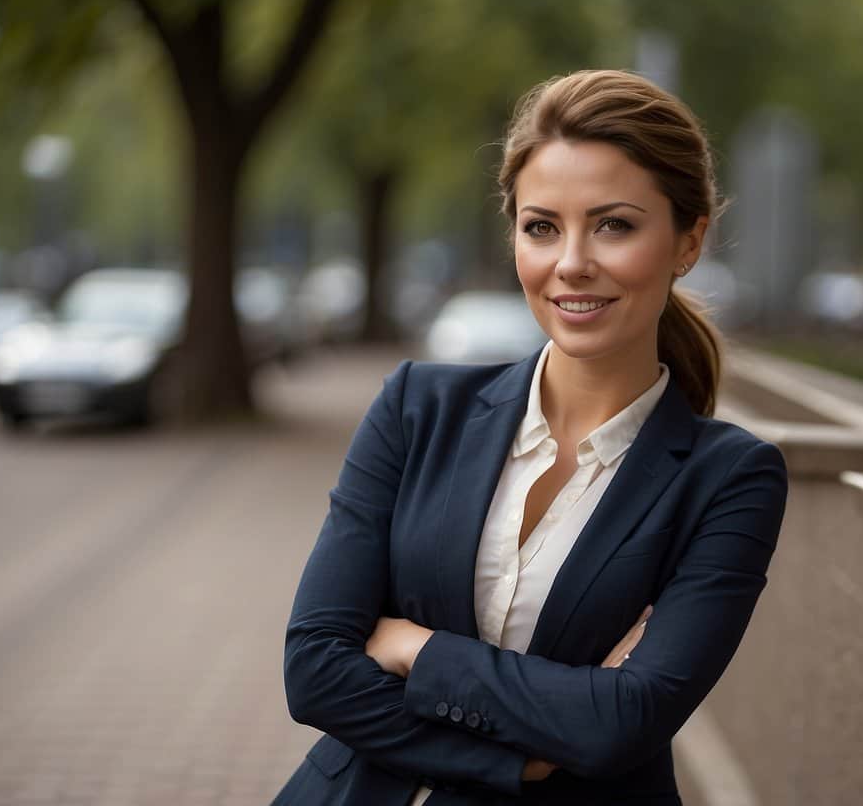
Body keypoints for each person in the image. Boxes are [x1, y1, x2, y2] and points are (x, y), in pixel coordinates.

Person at [273, 69, 789, 806]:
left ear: (687, 241)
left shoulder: (729, 477)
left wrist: (415, 649)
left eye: (613, 224)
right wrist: (519, 761)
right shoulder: (416, 408)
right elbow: (315, 669)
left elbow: (623, 721)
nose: (570, 261)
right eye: (541, 226)